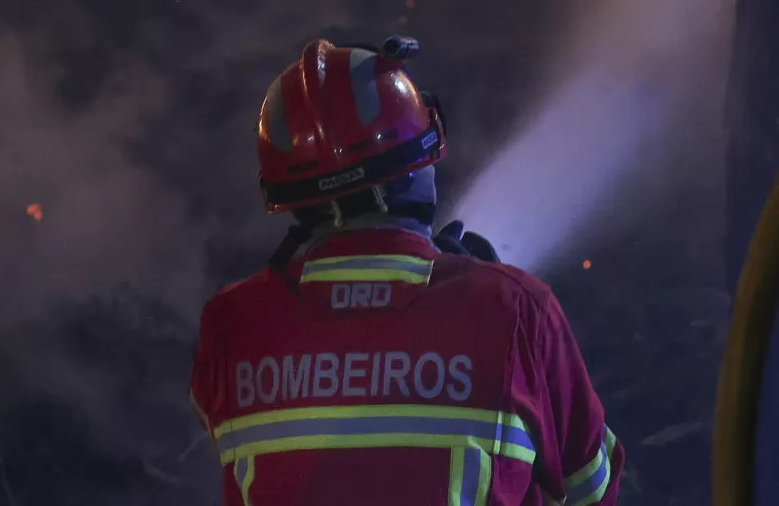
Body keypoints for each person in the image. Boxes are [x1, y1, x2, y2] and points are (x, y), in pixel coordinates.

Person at [189, 36, 623, 506]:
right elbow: (592, 488)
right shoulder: (518, 310)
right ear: (414, 166)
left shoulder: (229, 326)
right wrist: (493, 309)